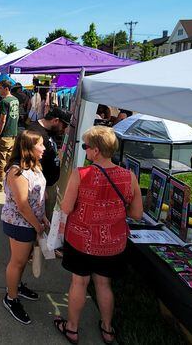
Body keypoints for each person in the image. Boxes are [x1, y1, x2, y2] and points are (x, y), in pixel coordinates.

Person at [56, 126, 143, 345]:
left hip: (81, 240)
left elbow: (66, 208)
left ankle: (72, 328)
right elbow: (136, 213)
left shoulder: (81, 174)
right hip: (113, 242)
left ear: (95, 151)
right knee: (104, 284)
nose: (85, 150)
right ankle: (107, 328)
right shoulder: (129, 176)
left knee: (79, 282)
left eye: (86, 146)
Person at [0, 130, 49, 325]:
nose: (44, 148)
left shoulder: (34, 166)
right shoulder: (17, 171)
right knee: (18, 262)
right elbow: (22, 204)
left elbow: (36, 199)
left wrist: (43, 217)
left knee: (22, 260)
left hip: (30, 222)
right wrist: (37, 225)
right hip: (19, 223)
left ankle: (17, 286)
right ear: (28, 147)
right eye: (41, 144)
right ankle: (11, 298)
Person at [27, 108, 71, 211]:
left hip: (50, 182)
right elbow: (31, 161)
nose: (64, 129)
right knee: (43, 217)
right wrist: (42, 187)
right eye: (64, 126)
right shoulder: (35, 132)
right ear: (55, 120)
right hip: (42, 185)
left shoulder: (51, 130)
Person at [0, 81, 19, 192]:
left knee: (0, 161)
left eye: (0, 88)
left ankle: (0, 184)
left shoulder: (4, 101)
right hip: (13, 133)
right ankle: (10, 182)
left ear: (7, 88)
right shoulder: (15, 100)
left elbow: (3, 119)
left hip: (4, 134)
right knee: (10, 160)